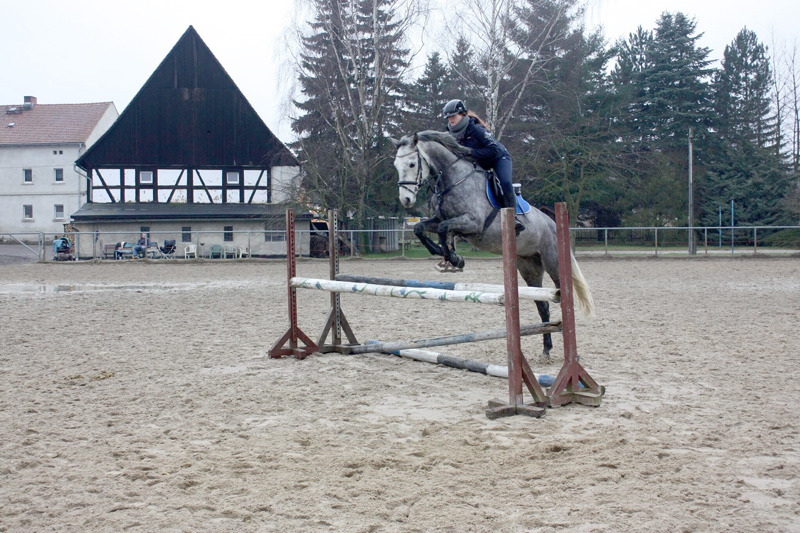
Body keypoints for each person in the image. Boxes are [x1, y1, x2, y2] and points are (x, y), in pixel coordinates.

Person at [442, 99, 524, 233]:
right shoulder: (450, 133)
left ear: (462, 114)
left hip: (498, 158)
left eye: (453, 116)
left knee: (505, 182)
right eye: (448, 117)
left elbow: (494, 150)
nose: (451, 119)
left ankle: (513, 218)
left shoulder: (476, 129)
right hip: (480, 163)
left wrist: (470, 152)